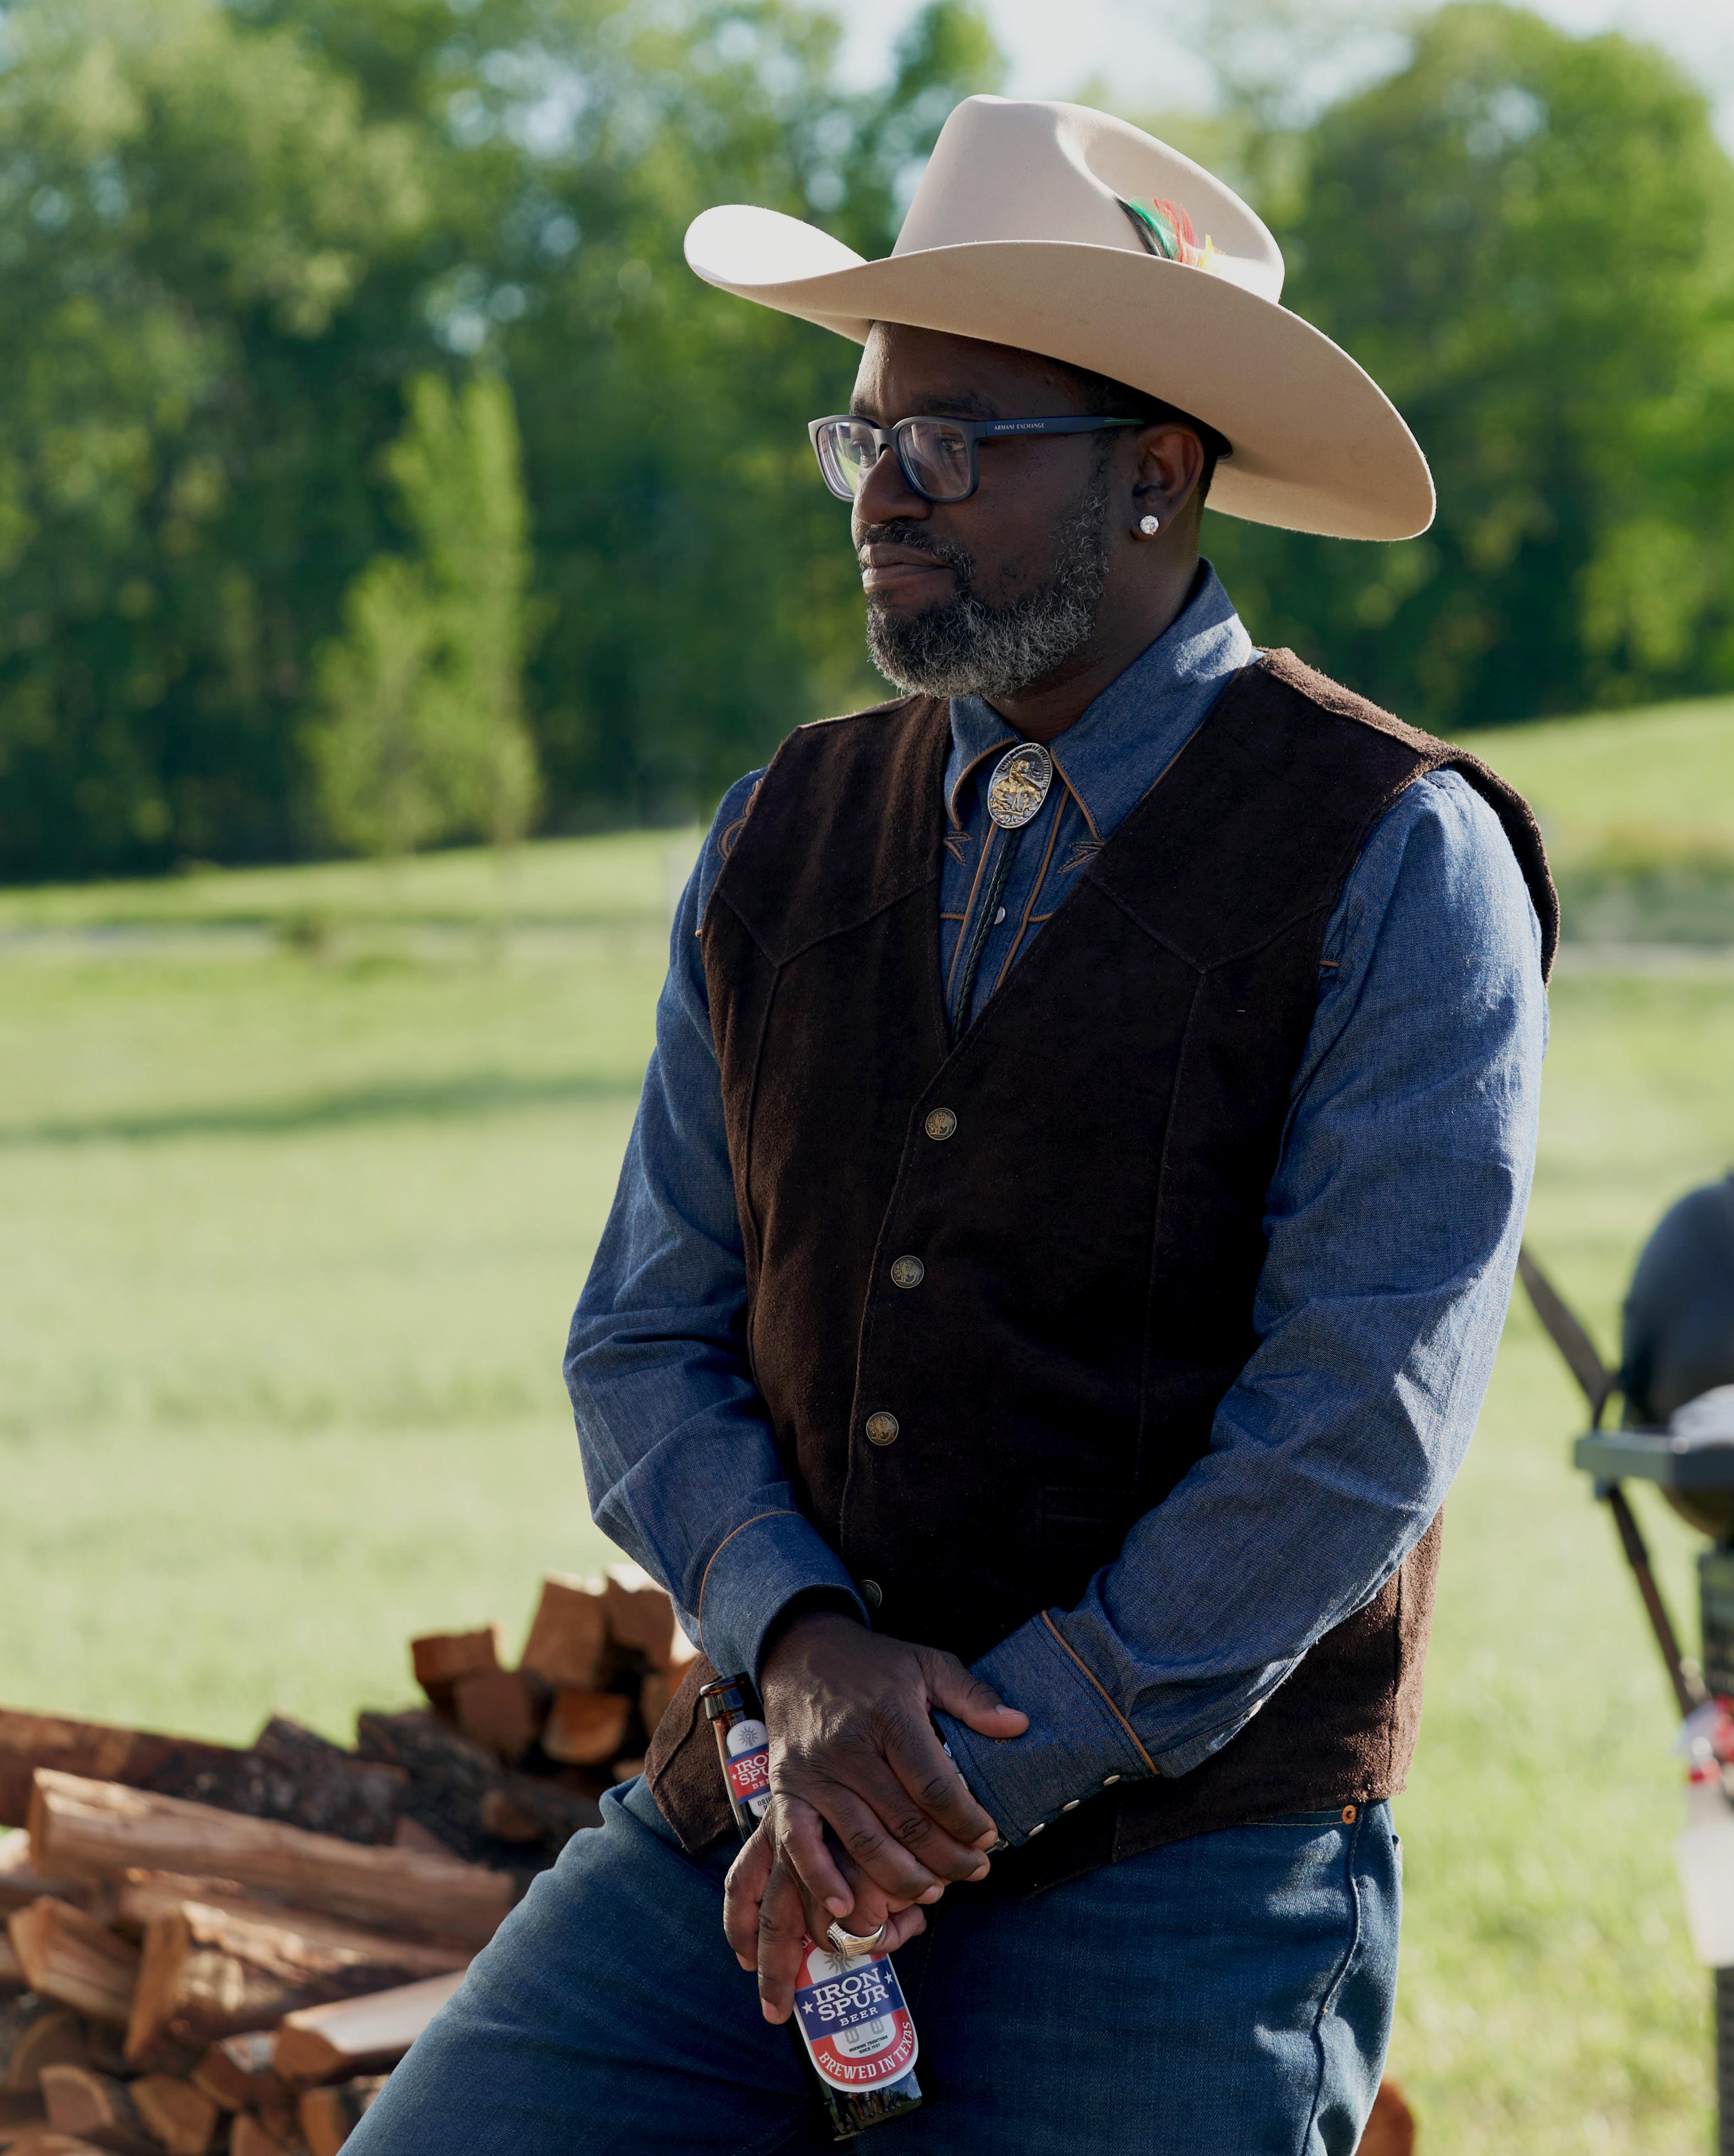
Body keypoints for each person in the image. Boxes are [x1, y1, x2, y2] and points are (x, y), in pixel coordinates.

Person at [350, 95, 1553, 2156]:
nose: (881, 496)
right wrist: (806, 1661)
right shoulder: (779, 830)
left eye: (953, 441)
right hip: (750, 1818)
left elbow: (1354, 1427)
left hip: (1177, 1881)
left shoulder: (1393, 854)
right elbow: (645, 1336)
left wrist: (941, 1787)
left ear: (1158, 477)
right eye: (864, 436)